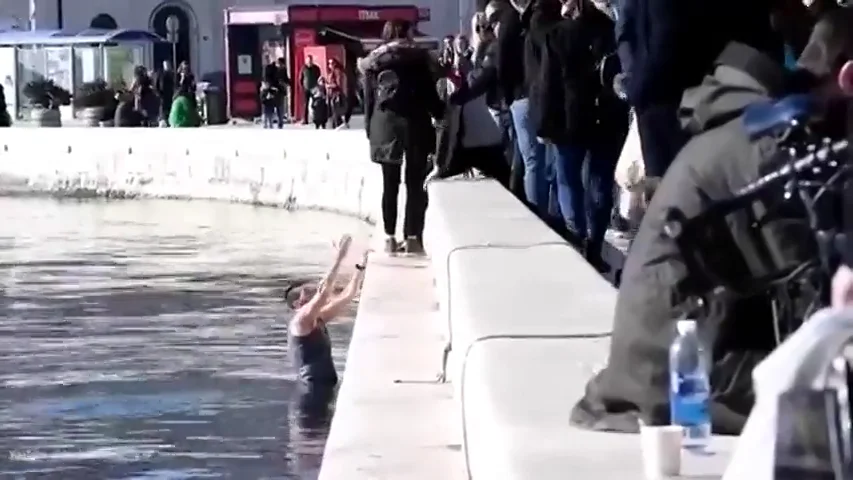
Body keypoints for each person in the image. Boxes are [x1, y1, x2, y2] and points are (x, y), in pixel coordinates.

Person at [571, 5, 839, 436]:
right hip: (678, 382)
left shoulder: (744, 128)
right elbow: (809, 293)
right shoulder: (766, 150)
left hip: (664, 361)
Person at [359, 19, 445, 255]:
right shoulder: (418, 59)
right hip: (415, 124)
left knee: (390, 184)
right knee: (415, 184)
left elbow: (368, 100)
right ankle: (413, 237)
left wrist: (371, 129)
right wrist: (441, 114)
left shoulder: (373, 62)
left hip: (384, 125)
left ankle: (388, 238)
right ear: (405, 34)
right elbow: (430, 96)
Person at [288, 235, 367, 422]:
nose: (308, 293)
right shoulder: (300, 322)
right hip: (311, 393)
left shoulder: (318, 318)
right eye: (303, 294)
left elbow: (348, 296)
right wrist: (339, 258)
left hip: (325, 388)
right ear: (297, 304)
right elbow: (324, 293)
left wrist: (361, 266)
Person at [260, 63, 284, 129]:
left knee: (271, 110)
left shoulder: (268, 69)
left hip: (274, 92)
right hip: (274, 92)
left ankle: (270, 124)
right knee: (274, 110)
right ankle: (273, 124)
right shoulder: (276, 70)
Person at [300, 55, 322, 124]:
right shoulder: (303, 68)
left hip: (314, 89)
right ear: (306, 61)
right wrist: (302, 87)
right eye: (308, 61)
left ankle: (316, 118)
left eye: (310, 60)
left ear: (312, 61)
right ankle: (305, 119)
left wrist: (318, 86)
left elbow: (319, 77)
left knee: (315, 104)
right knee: (305, 104)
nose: (309, 62)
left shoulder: (316, 68)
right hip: (306, 89)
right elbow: (300, 79)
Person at [326, 58, 347, 128]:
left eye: (332, 63)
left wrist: (329, 85)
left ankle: (337, 124)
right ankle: (337, 123)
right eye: (329, 63)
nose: (330, 65)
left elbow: (338, 84)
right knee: (333, 109)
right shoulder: (330, 72)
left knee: (335, 109)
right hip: (331, 93)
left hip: (336, 93)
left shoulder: (337, 71)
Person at [154, 60, 175, 125]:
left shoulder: (172, 74)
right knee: (163, 108)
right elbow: (156, 84)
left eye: (168, 65)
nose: (167, 66)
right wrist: (158, 93)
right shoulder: (160, 74)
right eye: (166, 65)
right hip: (162, 94)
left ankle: (169, 120)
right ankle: (162, 120)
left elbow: (173, 84)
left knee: (169, 107)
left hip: (169, 94)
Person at [276, 57, 291, 122]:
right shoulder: (281, 69)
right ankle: (281, 116)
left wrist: (287, 83)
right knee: (280, 103)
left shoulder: (280, 69)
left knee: (280, 103)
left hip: (280, 89)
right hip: (280, 88)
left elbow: (285, 78)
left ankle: (280, 116)